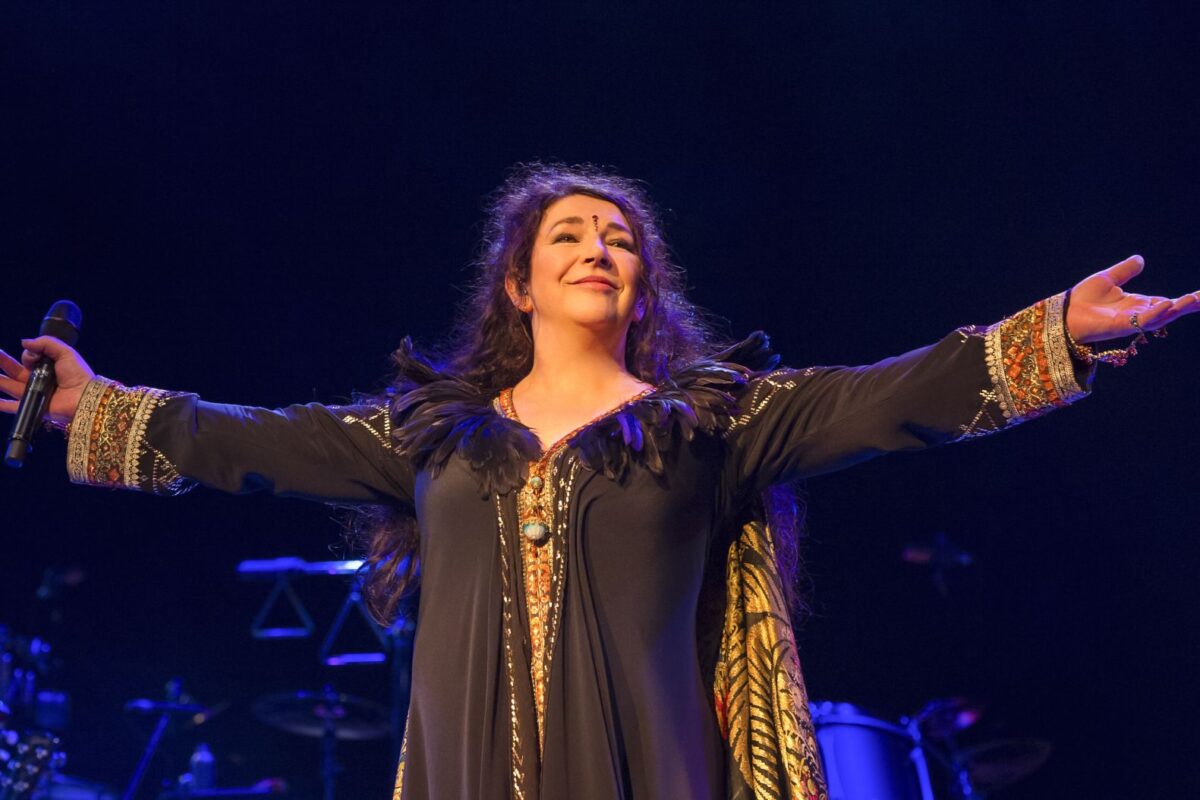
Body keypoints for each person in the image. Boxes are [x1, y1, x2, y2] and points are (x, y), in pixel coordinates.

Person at [2, 163, 1197, 800]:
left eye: (620, 238)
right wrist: (86, 405)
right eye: (568, 234)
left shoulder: (718, 423)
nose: (598, 248)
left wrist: (1057, 333)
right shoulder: (434, 436)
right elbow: (250, 440)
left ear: (643, 287)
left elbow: (899, 393)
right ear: (518, 283)